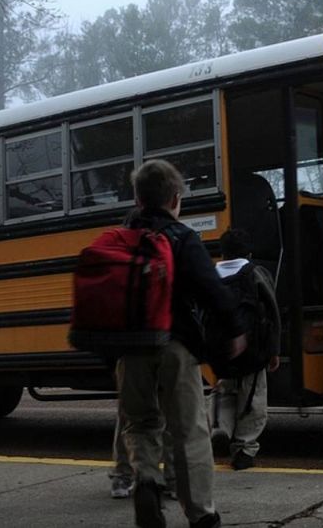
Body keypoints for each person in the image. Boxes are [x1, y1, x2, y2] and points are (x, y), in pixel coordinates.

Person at [117, 159, 247, 528]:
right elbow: (212, 290)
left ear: (138, 199)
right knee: (189, 430)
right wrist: (235, 330)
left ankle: (145, 482)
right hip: (176, 345)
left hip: (131, 349)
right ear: (175, 198)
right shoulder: (181, 237)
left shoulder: (121, 240)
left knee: (140, 424)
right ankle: (201, 515)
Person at [209, 229, 281, 471]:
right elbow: (272, 313)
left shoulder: (211, 275)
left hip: (221, 352)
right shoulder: (256, 273)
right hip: (253, 351)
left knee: (225, 392)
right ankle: (244, 449)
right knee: (253, 399)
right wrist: (273, 350)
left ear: (222, 251)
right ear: (248, 252)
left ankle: (221, 429)